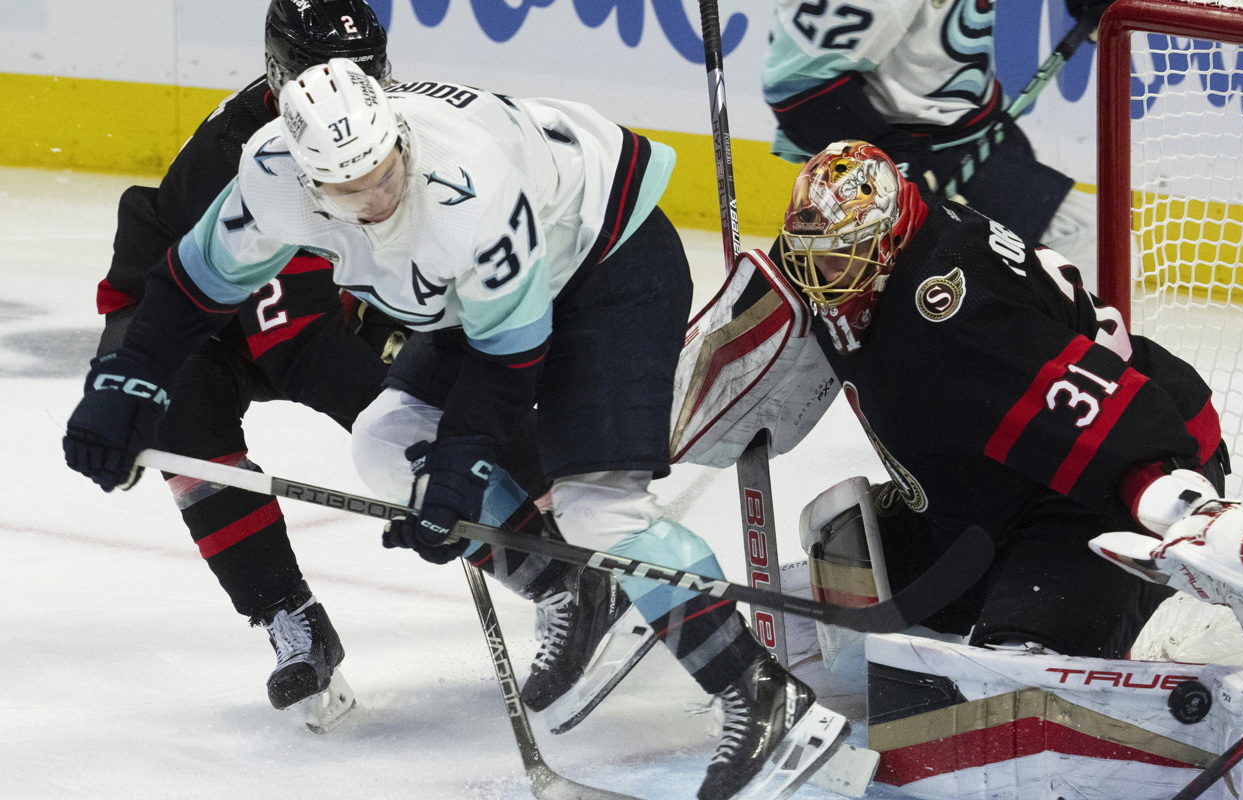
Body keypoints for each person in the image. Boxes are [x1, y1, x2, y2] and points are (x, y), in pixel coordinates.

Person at [62, 57, 849, 800]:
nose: (373, 199)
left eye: (383, 175)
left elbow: (512, 358)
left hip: (607, 256)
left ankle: (763, 696)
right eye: (347, 189)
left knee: (599, 507)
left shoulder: (465, 189)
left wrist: (459, 476)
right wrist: (123, 383)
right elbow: (190, 285)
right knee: (381, 440)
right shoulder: (273, 171)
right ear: (306, 176)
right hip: (472, 288)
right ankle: (570, 588)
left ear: (398, 137)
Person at [766, 140, 1243, 799]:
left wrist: (1189, 509)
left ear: (892, 237)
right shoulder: (890, 258)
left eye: (844, 254)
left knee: (1015, 678)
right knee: (841, 541)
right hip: (995, 482)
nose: (827, 274)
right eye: (817, 256)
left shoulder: (952, 314)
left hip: (1100, 484)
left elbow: (1109, 422)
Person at [83, 0, 405, 730]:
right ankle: (288, 616)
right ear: (279, 71)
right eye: (329, 73)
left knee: (430, 385)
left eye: (368, 72)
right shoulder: (247, 157)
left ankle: (542, 557)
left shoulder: (402, 123)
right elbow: (300, 350)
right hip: (183, 312)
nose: (353, 93)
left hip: (309, 295)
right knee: (179, 404)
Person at [761, 0, 1111, 284]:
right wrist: (891, 159)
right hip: (925, 161)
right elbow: (797, 86)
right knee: (1095, 240)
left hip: (978, 133)